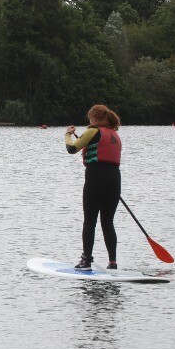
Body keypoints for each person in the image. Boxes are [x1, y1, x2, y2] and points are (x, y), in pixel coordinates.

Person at [65, 104, 122, 270]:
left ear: (95, 118)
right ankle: (113, 262)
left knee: (90, 221)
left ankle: (86, 261)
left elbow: (72, 148)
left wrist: (68, 134)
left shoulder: (93, 131)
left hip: (96, 178)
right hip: (114, 179)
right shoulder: (115, 135)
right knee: (108, 222)